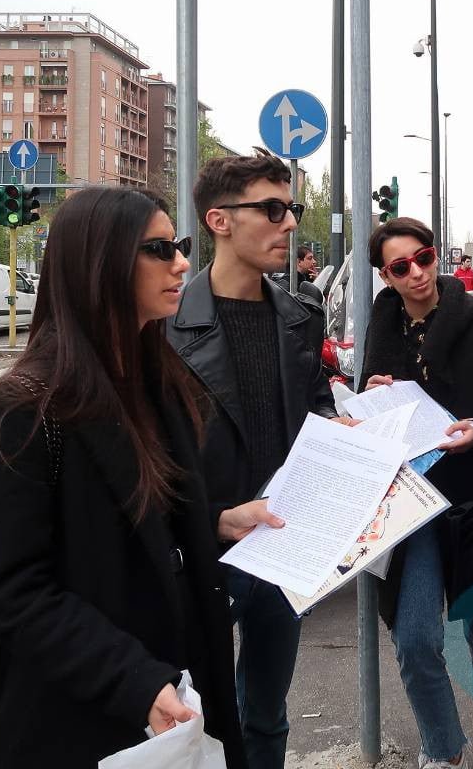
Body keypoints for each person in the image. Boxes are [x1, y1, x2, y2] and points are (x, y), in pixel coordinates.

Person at [0, 187, 261, 768]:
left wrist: (216, 521)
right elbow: (11, 590)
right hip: (86, 717)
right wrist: (131, 680)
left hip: (183, 689)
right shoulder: (26, 408)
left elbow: (144, 520)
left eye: (178, 245)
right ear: (99, 266)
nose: (182, 262)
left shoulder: (160, 381)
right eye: (159, 249)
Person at [165, 151, 342, 769]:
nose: (289, 223)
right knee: (192, 716)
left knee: (266, 716)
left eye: (290, 208)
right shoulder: (165, 327)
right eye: (271, 209)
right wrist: (207, 519)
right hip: (197, 548)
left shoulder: (299, 318)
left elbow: (315, 404)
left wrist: (336, 426)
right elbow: (148, 455)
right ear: (219, 220)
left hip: (281, 544)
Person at [360, 216, 473, 769]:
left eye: (424, 257)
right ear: (385, 276)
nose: (417, 274)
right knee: (413, 638)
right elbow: (373, 415)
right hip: (409, 504)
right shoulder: (382, 331)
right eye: (400, 267)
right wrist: (373, 393)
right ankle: (443, 748)